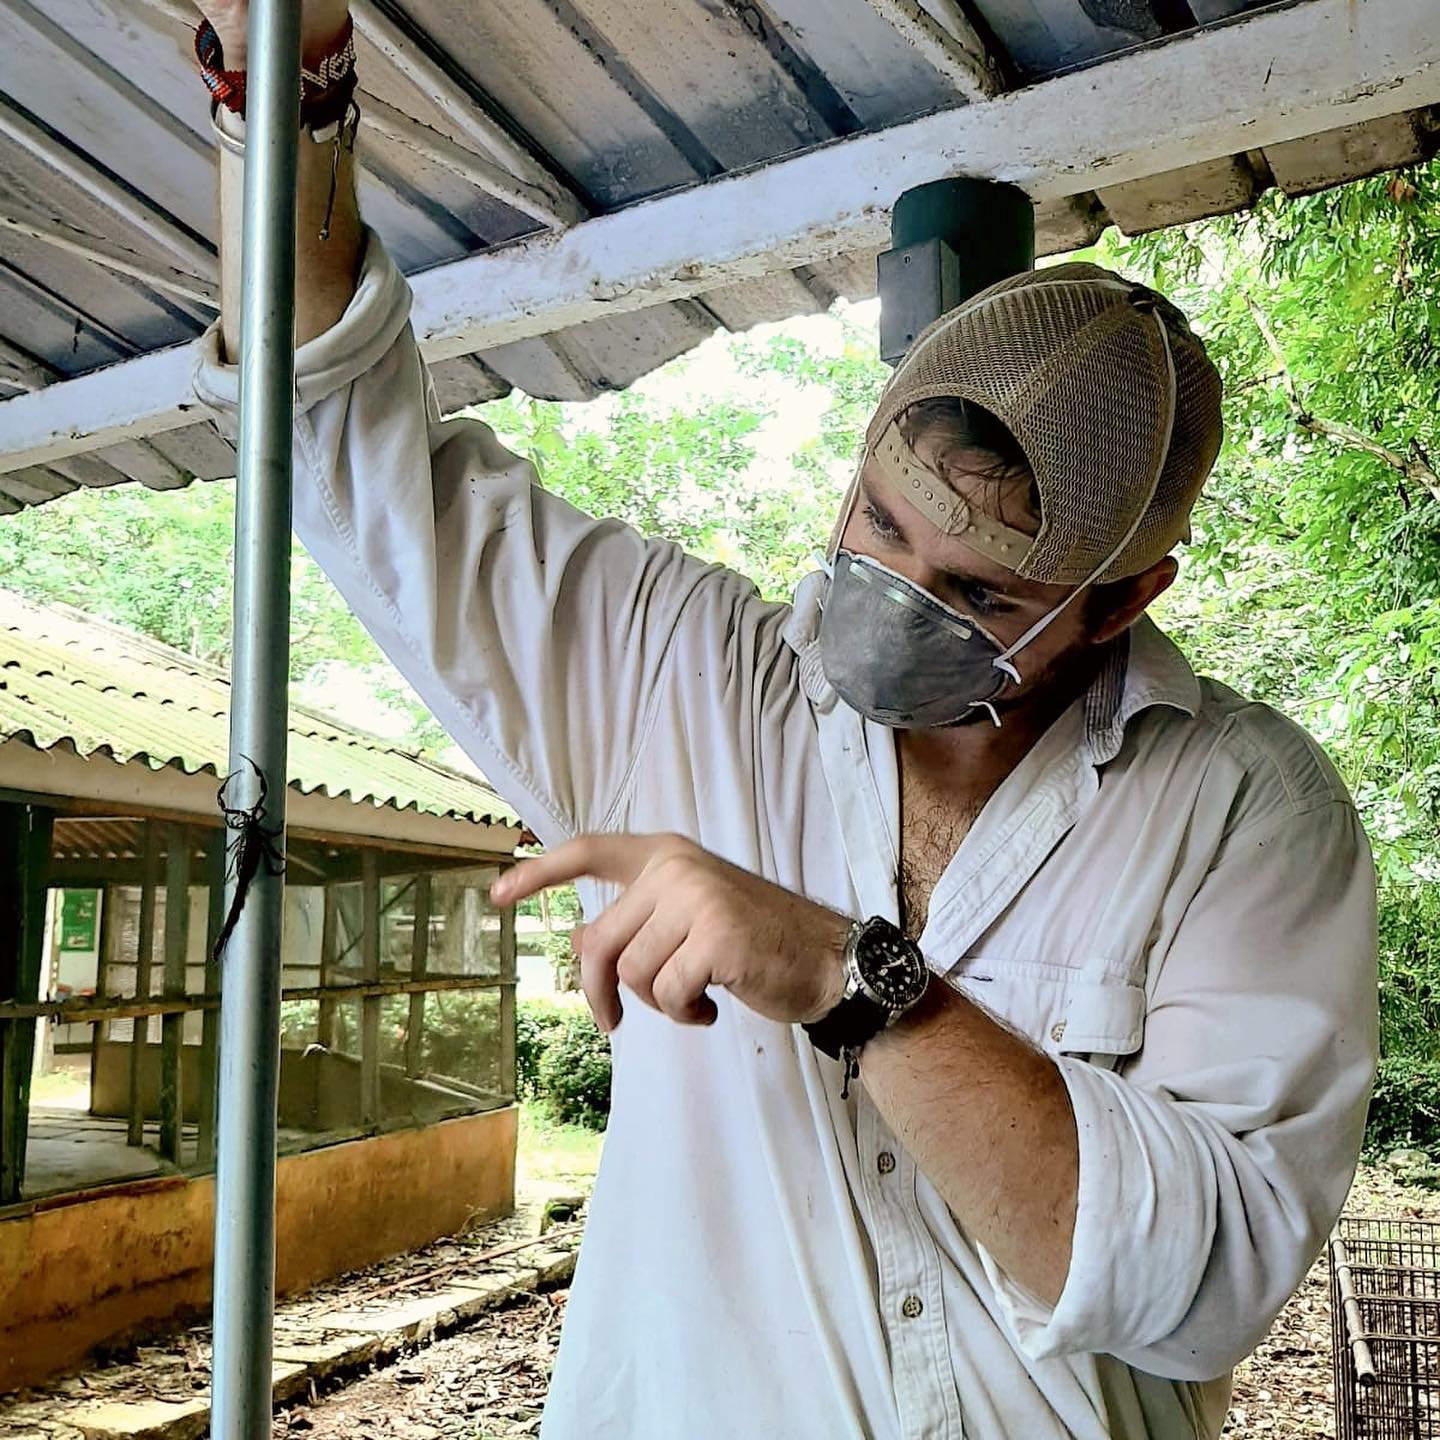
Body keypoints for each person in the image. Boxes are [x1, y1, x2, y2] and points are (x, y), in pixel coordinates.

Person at [192, 6, 1378, 1436]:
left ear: (1121, 602)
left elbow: (1207, 1281)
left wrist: (848, 974)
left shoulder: (1250, 812)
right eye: (875, 522)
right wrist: (289, 77)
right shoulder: (676, 669)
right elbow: (340, 440)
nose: (886, 595)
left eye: (976, 589)